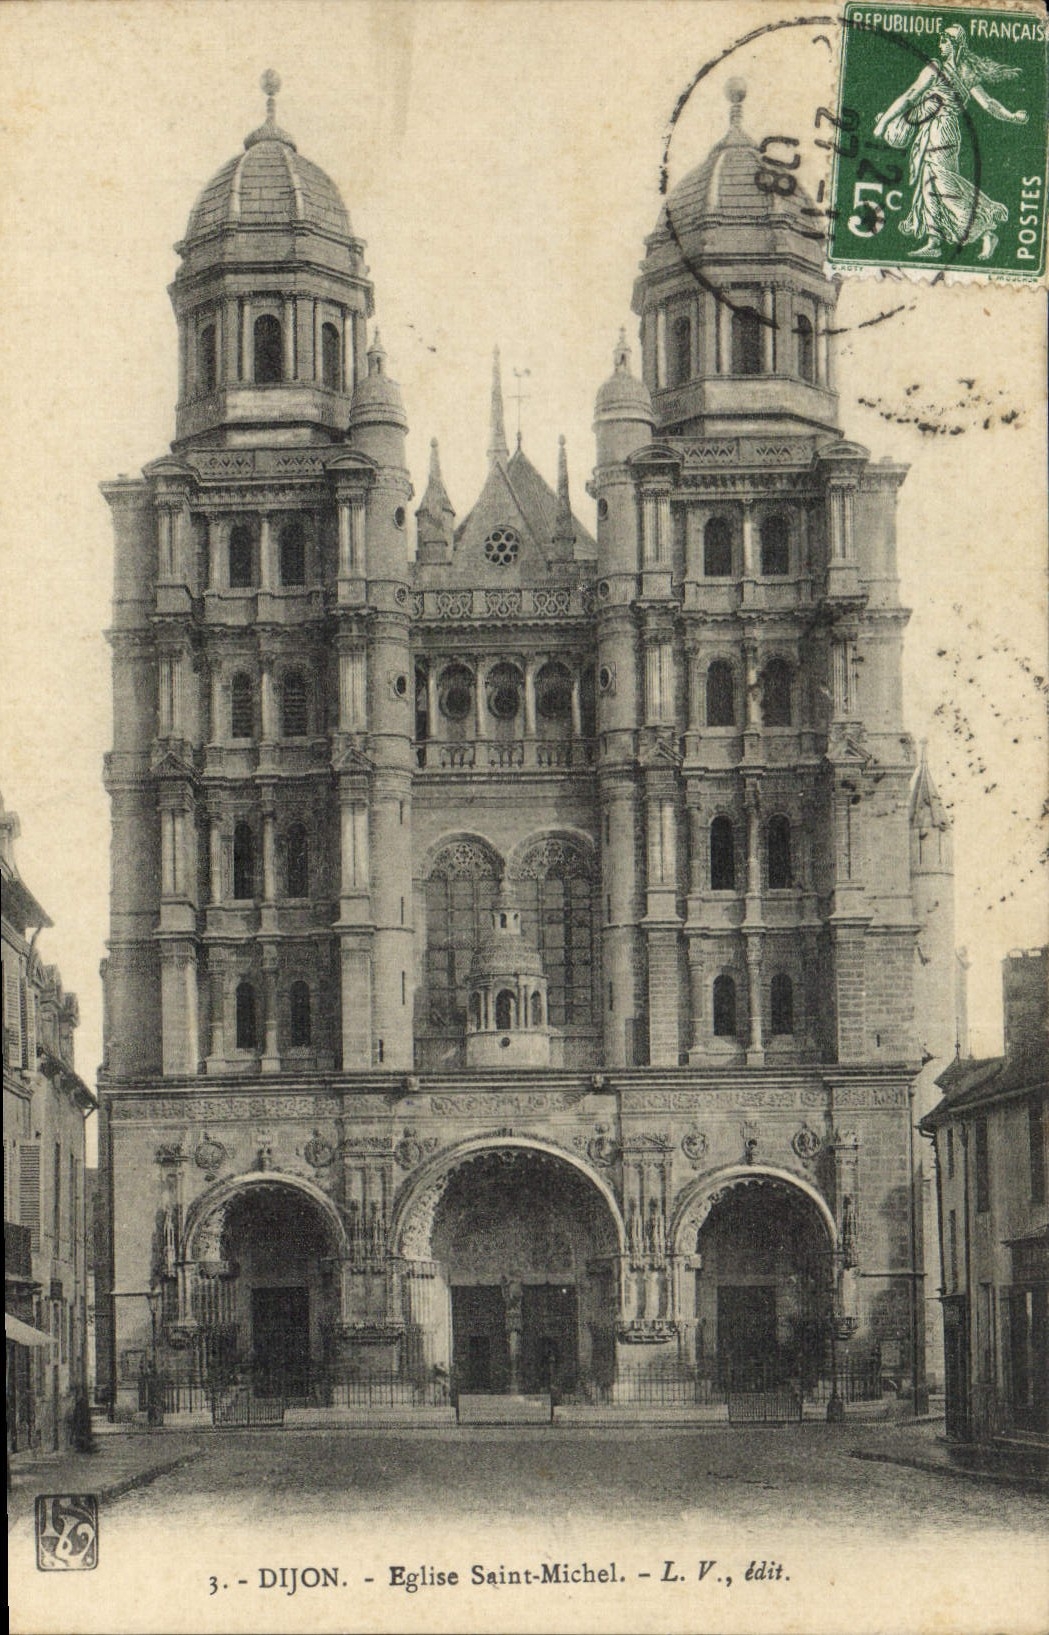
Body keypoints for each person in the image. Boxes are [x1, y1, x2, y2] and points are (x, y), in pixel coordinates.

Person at [873, 23, 1027, 260]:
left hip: (942, 130)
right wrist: (1012, 117)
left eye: (944, 40)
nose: (940, 43)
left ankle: (985, 229)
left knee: (943, 185)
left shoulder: (953, 71)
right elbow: (912, 95)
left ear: (955, 45)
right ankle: (934, 241)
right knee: (929, 185)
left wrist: (1012, 116)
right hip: (937, 129)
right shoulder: (952, 70)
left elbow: (912, 96)